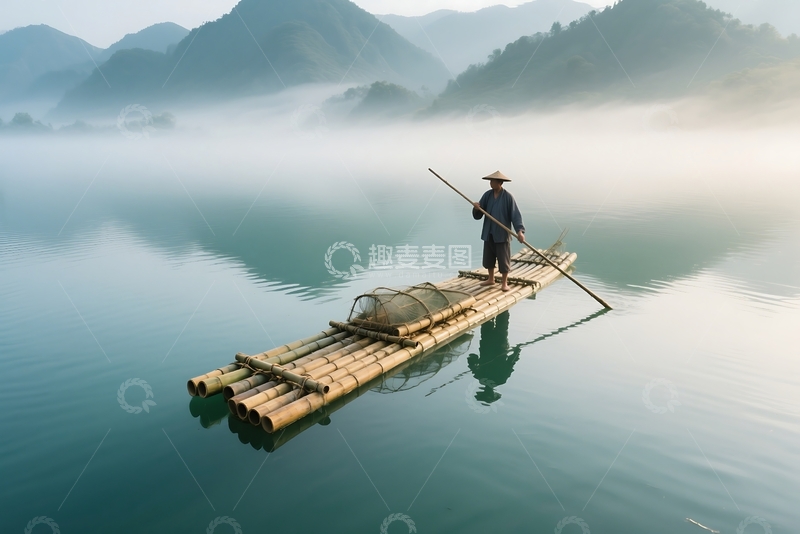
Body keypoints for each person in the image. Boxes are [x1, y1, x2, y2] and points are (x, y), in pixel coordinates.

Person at [472, 170, 525, 292]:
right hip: (489, 231)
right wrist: (476, 208)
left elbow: (515, 215)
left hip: (502, 233)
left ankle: (504, 283)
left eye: (493, 181)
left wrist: (520, 231)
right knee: (488, 257)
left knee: (503, 258)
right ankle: (491, 279)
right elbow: (479, 213)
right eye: (490, 181)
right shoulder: (487, 195)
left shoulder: (508, 197)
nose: (490, 183)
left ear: (500, 182)